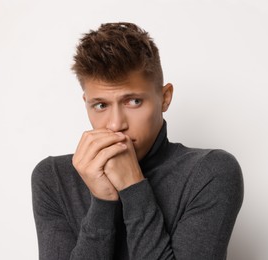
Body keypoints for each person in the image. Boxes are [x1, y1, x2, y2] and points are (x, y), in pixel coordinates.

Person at [32, 22, 243, 260]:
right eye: (100, 105)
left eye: (133, 102)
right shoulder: (53, 178)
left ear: (165, 98)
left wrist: (133, 187)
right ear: (86, 103)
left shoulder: (210, 172)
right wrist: (102, 202)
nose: (115, 124)